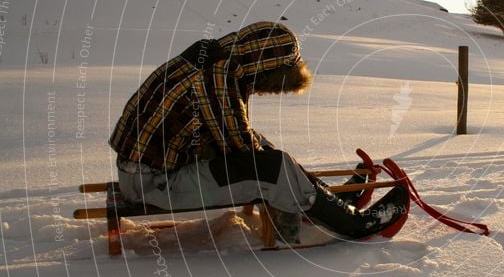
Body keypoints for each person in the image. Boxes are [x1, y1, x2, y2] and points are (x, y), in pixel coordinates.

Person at [109, 21, 407, 241]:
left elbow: (241, 137)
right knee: (270, 167)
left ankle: (327, 201)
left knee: (267, 153)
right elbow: (241, 146)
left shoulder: (219, 58)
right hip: (154, 184)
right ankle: (352, 225)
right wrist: (278, 166)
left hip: (154, 169)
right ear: (264, 66)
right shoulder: (218, 76)